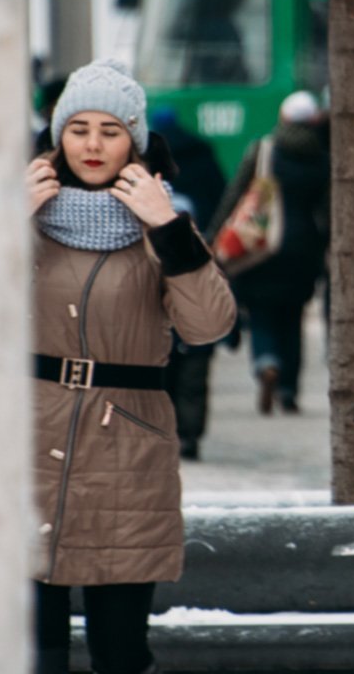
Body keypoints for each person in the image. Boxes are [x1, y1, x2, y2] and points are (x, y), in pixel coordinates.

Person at [25, 59, 236, 674]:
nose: (92, 144)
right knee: (31, 650)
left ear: (135, 142)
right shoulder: (21, 212)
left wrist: (168, 228)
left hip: (126, 452)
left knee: (120, 652)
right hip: (26, 442)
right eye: (79, 128)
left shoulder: (163, 223)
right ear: (58, 134)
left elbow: (210, 326)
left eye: (110, 130)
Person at [210, 90, 331, 415]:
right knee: (293, 320)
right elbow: (327, 210)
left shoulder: (265, 150)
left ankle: (266, 362)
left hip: (261, 246)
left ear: (284, 118)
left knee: (261, 312)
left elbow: (236, 194)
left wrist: (215, 234)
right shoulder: (322, 157)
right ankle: (289, 391)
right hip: (304, 251)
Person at [152, 107, 229, 460]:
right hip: (200, 254)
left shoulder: (144, 166)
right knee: (196, 369)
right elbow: (220, 197)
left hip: (159, 271)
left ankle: (168, 431)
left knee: (168, 368)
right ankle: (191, 435)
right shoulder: (202, 152)